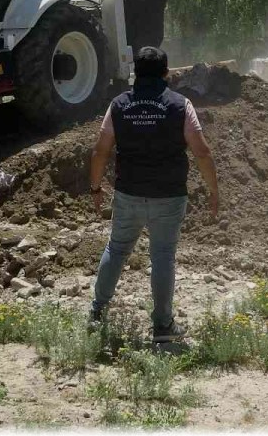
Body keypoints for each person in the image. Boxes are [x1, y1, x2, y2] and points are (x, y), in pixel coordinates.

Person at [88, 46, 220, 343]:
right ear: (166, 74)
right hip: (169, 196)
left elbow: (100, 151)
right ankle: (162, 326)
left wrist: (95, 187)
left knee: (118, 248)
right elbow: (202, 151)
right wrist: (214, 191)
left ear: (135, 74)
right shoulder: (180, 105)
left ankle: (97, 313)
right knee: (162, 256)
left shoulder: (119, 105)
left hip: (129, 193)